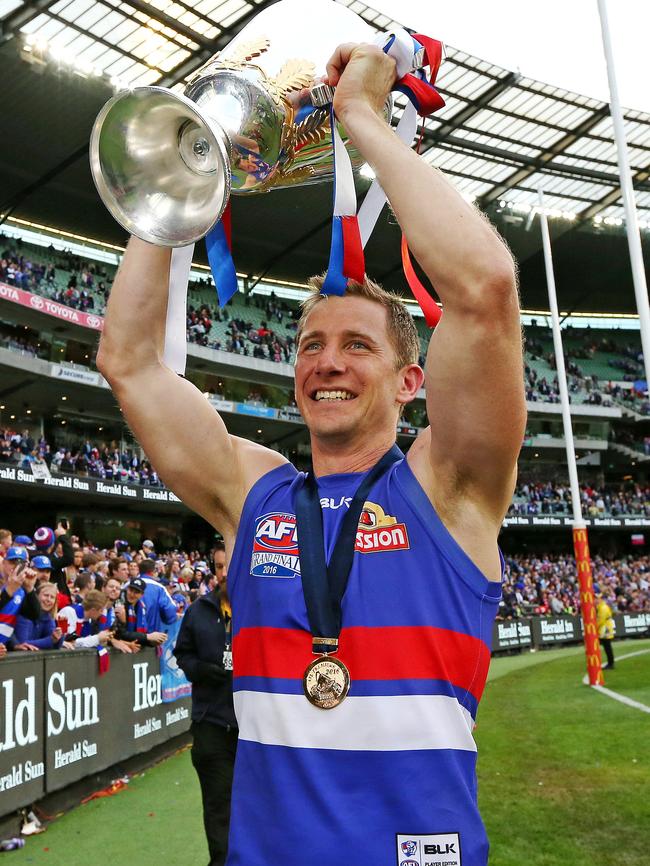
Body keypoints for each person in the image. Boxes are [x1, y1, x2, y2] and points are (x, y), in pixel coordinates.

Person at [97, 43, 525, 866]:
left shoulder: (451, 488)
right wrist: (183, 185)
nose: (327, 362)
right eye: (310, 344)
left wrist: (361, 116)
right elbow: (130, 363)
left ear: (410, 380)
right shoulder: (250, 493)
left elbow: (484, 291)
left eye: (356, 345)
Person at [174, 561, 237, 866]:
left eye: (229, 564)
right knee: (218, 803)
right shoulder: (198, 610)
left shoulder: (262, 606)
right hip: (211, 723)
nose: (224, 572)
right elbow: (182, 653)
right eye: (219, 566)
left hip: (259, 727)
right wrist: (199, 669)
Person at [13, 582, 64, 651]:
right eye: (46, 595)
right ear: (36, 596)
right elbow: (23, 644)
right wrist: (51, 640)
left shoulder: (48, 617)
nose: (48, 600)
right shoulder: (25, 613)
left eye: (52, 597)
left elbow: (54, 644)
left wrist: (60, 635)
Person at [596, 587, 615, 670]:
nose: (595, 600)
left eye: (597, 599)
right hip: (605, 628)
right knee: (607, 646)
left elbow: (601, 620)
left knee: (607, 646)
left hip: (605, 628)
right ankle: (610, 663)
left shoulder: (603, 608)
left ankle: (610, 663)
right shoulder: (602, 607)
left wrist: (595, 627)